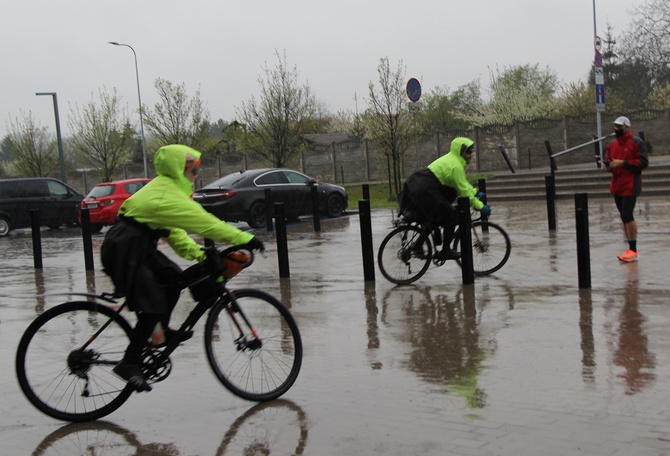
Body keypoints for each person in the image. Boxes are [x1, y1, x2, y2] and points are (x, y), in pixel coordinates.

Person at [101, 144, 265, 392]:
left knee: (175, 279)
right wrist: (244, 238)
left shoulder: (167, 191)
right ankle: (129, 362)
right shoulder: (167, 193)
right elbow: (205, 224)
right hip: (126, 247)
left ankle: (160, 332)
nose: (196, 176)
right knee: (152, 300)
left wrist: (200, 254)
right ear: (182, 168)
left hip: (137, 245)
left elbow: (176, 234)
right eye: (194, 170)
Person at [401, 137, 491, 261]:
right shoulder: (455, 166)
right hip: (426, 191)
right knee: (451, 215)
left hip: (421, 187)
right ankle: (446, 250)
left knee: (434, 220)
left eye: (472, 152)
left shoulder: (452, 160)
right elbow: (463, 190)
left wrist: (475, 193)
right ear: (461, 151)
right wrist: (480, 206)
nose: (471, 155)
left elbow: (462, 184)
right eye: (469, 152)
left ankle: (417, 246)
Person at [604, 116, 648, 263]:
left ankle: (633, 249)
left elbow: (643, 162)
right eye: (615, 127)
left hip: (631, 183)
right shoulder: (612, 145)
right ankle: (630, 246)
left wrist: (623, 163)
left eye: (620, 127)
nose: (617, 129)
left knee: (627, 214)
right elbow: (610, 162)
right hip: (617, 185)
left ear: (627, 127)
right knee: (623, 216)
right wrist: (608, 166)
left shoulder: (637, 143)